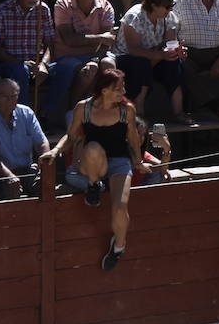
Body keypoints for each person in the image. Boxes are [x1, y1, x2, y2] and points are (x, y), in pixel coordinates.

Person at [41, 67, 146, 271]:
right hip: (93, 160)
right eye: (118, 88)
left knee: (120, 207)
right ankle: (93, 184)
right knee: (94, 148)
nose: (123, 92)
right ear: (104, 90)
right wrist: (55, 152)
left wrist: (138, 160)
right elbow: (71, 137)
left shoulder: (127, 110)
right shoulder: (84, 108)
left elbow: (133, 138)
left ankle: (118, 246)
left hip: (119, 161)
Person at [113, 0, 191, 125]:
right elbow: (134, 50)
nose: (170, 8)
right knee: (142, 62)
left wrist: (177, 51)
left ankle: (179, 111)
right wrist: (161, 55)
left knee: (173, 63)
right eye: (167, 6)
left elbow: (169, 44)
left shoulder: (169, 17)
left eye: (171, 4)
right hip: (127, 59)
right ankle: (139, 110)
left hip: (154, 55)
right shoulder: (134, 16)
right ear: (154, 5)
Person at [0, 79, 50, 199]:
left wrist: (46, 165)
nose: (10, 100)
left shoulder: (26, 113)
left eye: (14, 96)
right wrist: (8, 176)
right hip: (1, 173)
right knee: (9, 194)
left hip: (28, 170)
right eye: (4, 96)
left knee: (47, 186)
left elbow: (41, 142)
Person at [0, 0, 54, 98]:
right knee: (20, 71)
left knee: (64, 69)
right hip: (9, 63)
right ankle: (24, 116)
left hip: (37, 64)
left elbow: (50, 43)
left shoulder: (43, 10)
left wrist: (43, 64)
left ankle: (48, 113)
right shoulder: (2, 11)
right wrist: (21, 62)